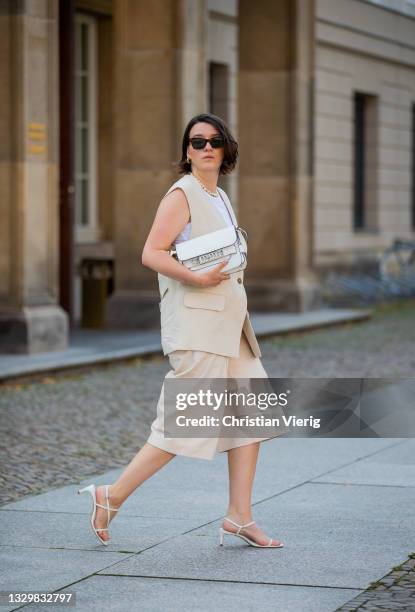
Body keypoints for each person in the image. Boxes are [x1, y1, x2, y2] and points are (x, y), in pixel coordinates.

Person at [77, 113, 288, 548]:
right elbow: (151, 253)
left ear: (226, 148)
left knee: (252, 419)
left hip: (232, 328)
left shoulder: (219, 196)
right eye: (197, 142)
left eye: (214, 141)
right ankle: (110, 496)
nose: (206, 147)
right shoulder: (183, 193)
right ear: (186, 151)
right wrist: (198, 278)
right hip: (198, 325)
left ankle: (240, 516)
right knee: (183, 422)